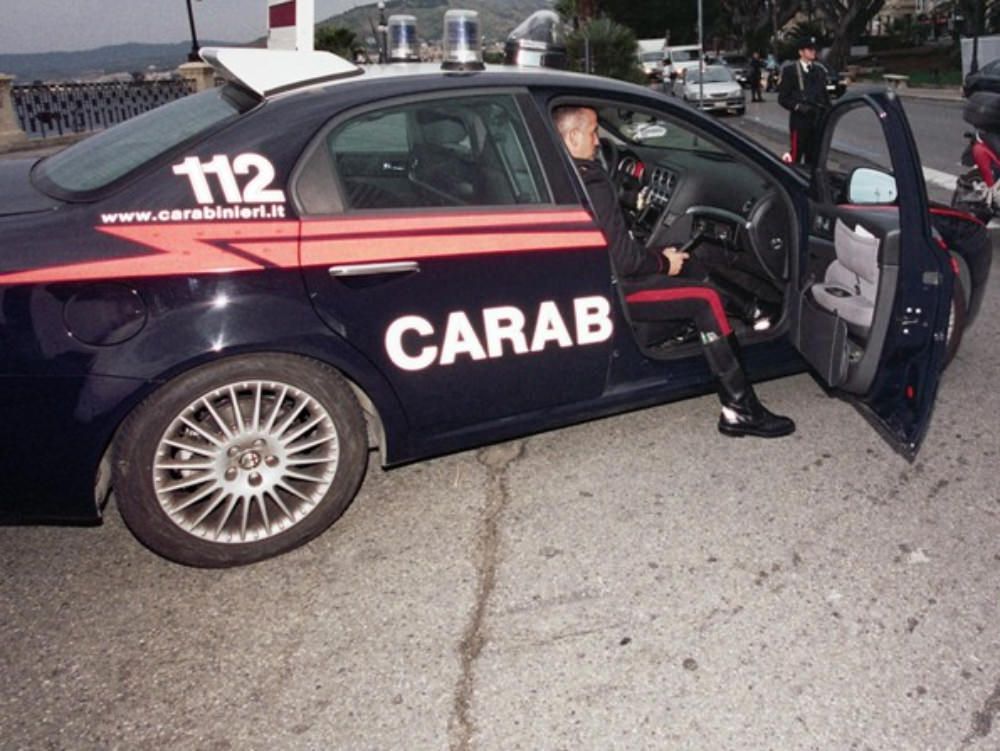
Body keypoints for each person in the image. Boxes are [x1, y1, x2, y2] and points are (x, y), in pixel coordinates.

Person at [551, 105, 794, 439]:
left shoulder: (564, 173)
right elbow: (624, 261)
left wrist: (662, 256)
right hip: (618, 289)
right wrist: (662, 262)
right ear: (573, 136)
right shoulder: (592, 180)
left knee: (689, 259)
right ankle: (740, 410)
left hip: (596, 277)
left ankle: (752, 309)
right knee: (704, 299)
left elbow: (616, 247)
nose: (597, 141)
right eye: (593, 132)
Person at [777, 36, 830, 165]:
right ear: (801, 52)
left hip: (816, 120)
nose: (813, 52)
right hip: (800, 122)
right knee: (795, 154)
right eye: (809, 49)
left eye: (814, 50)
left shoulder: (819, 71)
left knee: (814, 157)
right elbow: (783, 98)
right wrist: (798, 107)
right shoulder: (791, 71)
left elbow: (824, 95)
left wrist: (828, 111)